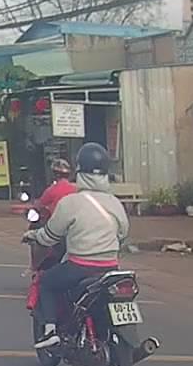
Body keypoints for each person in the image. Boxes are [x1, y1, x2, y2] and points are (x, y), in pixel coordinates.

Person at [23, 143, 129, 348]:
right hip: (111, 268)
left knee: (46, 282)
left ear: (79, 171)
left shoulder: (70, 202)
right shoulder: (115, 203)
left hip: (79, 267)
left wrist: (34, 236)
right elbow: (123, 234)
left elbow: (50, 236)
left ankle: (51, 331)